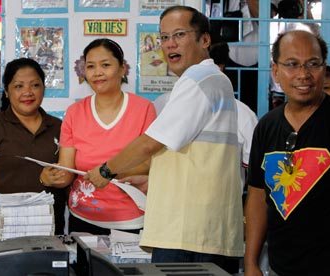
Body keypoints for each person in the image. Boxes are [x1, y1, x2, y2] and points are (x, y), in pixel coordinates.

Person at [86, 5, 243, 268]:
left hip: (190, 234)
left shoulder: (199, 80)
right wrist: (152, 179)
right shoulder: (210, 81)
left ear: (205, 39)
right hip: (200, 229)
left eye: (179, 35)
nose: (170, 45)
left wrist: (105, 171)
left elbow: (149, 143)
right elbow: (193, 156)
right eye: (164, 37)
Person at [39, 38, 156, 235]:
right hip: (82, 218)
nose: (97, 73)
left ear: (122, 68)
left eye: (106, 65)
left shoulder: (144, 109)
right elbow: (67, 169)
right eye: (91, 66)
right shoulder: (75, 112)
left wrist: (108, 172)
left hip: (131, 220)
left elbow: (148, 163)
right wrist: (49, 178)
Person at [244, 30, 330, 276]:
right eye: (292, 65)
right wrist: (251, 262)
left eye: (313, 64)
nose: (303, 75)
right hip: (280, 266)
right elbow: (257, 195)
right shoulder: (266, 126)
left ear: (324, 68)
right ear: (275, 71)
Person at [0, 58, 67, 235]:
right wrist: (3, 215)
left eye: (35, 85)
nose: (27, 92)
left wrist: (52, 178)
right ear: (6, 91)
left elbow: (69, 173)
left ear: (44, 88)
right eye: (19, 86)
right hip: (1, 230)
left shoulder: (60, 127)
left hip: (49, 232)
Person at [209, 41, 258, 192]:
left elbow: (256, 175)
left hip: (224, 209)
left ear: (219, 68)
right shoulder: (164, 105)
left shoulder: (243, 115)